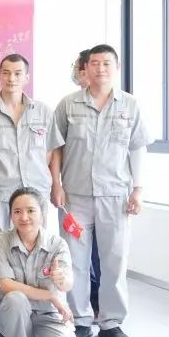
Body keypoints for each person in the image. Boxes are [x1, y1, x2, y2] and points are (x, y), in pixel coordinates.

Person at [52, 44, 151, 337]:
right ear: (85, 68)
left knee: (114, 260)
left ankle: (111, 321)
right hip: (75, 196)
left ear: (116, 67)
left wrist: (138, 190)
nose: (100, 69)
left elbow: (137, 148)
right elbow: (56, 147)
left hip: (115, 195)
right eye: (94, 63)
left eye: (106, 63)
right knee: (75, 260)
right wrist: (56, 184)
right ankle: (80, 319)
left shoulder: (130, 105)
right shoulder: (68, 104)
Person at [0, 54, 63, 337]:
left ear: (26, 77)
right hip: (1, 194)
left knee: (38, 252)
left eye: (18, 73)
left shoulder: (43, 112)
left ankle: (39, 313)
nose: (12, 78)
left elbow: (53, 152)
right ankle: (2, 320)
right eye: (6, 72)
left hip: (36, 194)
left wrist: (56, 185)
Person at [0, 187, 80, 337]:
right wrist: (50, 296)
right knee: (16, 298)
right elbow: (5, 284)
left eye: (31, 211)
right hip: (12, 313)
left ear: (42, 213)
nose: (24, 217)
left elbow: (68, 283)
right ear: (11, 215)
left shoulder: (57, 244)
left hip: (47, 315)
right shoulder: (1, 241)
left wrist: (61, 279)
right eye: (17, 211)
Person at [72, 48, 103, 317]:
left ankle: (102, 308)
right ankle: (84, 311)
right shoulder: (70, 106)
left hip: (108, 193)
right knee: (80, 256)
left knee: (103, 255)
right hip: (77, 193)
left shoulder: (121, 105)